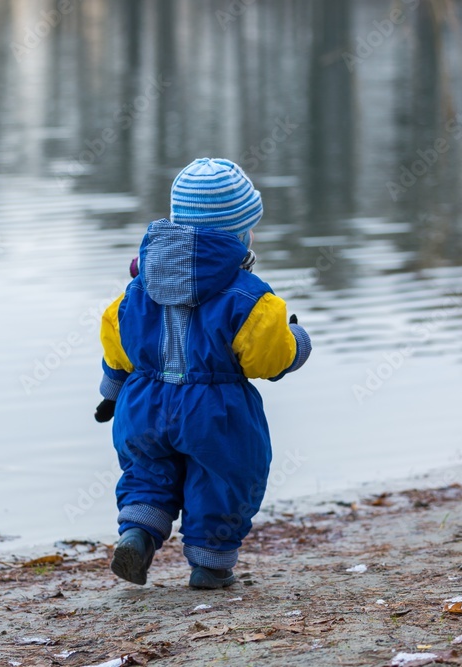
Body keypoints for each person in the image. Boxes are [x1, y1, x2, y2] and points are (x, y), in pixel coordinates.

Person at [94, 157, 311, 589]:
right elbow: (267, 358)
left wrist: (111, 391)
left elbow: (117, 344)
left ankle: (137, 533)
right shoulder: (249, 297)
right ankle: (210, 565)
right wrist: (298, 341)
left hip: (143, 404)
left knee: (147, 472)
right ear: (239, 234)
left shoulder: (137, 288)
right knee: (225, 479)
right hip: (215, 410)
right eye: (249, 227)